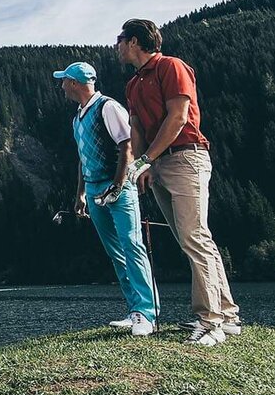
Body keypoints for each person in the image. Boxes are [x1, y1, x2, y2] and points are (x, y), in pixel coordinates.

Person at [116, 18, 242, 346]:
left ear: (134, 41)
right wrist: (140, 166)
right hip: (157, 164)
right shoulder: (133, 84)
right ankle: (228, 315)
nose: (117, 46)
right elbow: (137, 129)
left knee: (194, 237)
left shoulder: (171, 67)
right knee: (192, 239)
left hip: (186, 157)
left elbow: (178, 117)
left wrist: (147, 159)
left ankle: (210, 322)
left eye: (120, 39)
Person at [54, 62, 158, 336]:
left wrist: (118, 185)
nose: (62, 86)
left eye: (64, 81)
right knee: (116, 252)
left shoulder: (107, 107)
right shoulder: (77, 118)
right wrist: (80, 193)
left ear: (75, 83)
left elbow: (127, 145)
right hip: (93, 190)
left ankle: (147, 313)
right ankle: (135, 310)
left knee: (132, 245)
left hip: (118, 188)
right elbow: (82, 158)